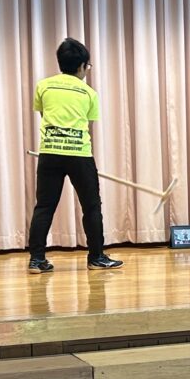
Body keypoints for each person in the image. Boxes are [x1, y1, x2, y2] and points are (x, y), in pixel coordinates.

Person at [27, 37, 122, 273]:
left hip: (49, 152)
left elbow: (44, 115)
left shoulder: (43, 86)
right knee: (91, 206)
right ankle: (96, 257)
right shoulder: (89, 93)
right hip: (79, 154)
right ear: (81, 66)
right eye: (87, 66)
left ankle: (36, 260)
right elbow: (87, 125)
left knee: (44, 206)